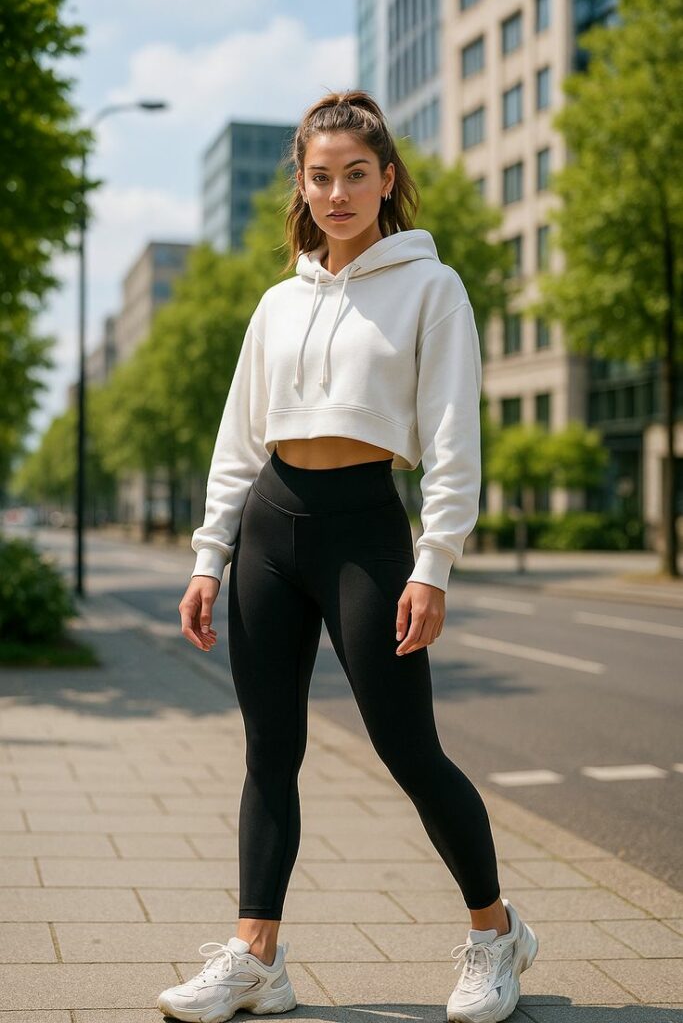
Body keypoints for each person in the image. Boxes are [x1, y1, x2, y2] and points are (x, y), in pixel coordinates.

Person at [157, 90, 538, 1023]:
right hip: (271, 525)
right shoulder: (277, 302)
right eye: (319, 177)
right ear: (301, 184)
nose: (336, 193)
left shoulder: (430, 286)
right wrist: (210, 557)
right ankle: (256, 959)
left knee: (408, 749)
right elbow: (237, 440)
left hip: (367, 526)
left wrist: (435, 561)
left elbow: (453, 439)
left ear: (386, 181)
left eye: (355, 175)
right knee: (269, 751)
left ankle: (496, 935)